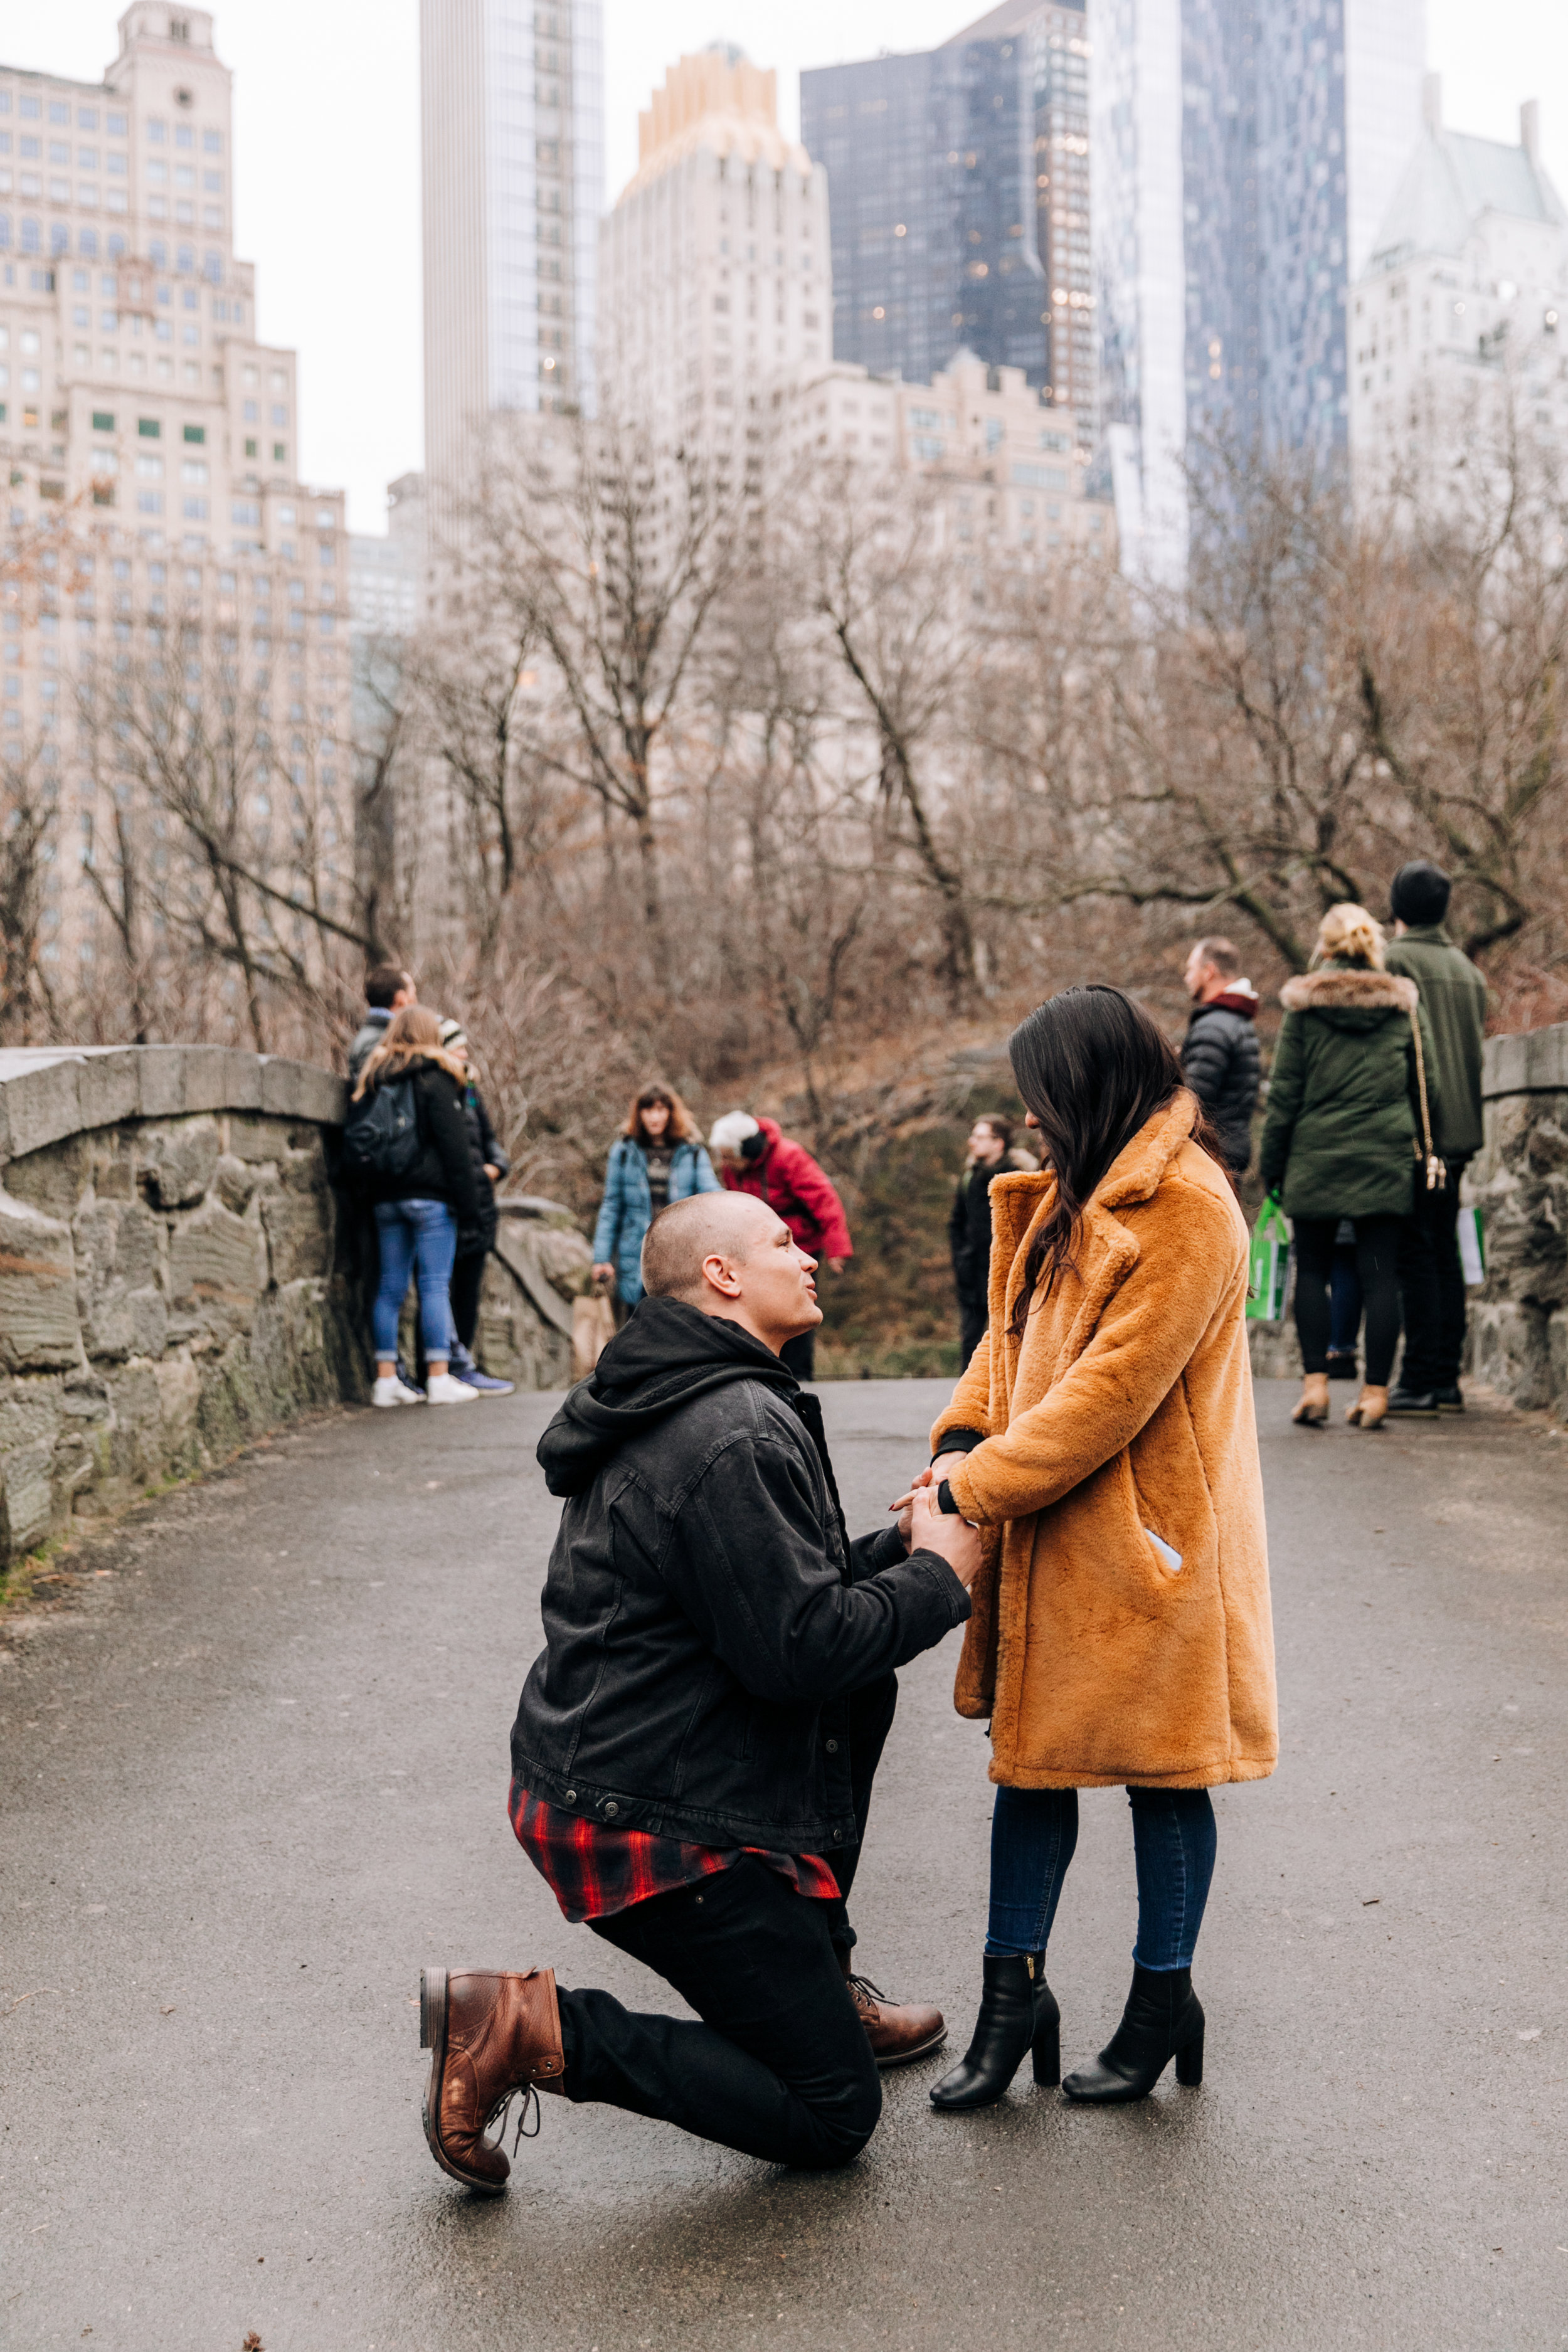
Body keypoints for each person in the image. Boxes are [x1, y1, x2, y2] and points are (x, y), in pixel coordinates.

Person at [418, 1189, 978, 2193]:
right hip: (640, 1810)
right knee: (831, 2111)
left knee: (859, 1690)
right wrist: (944, 1577)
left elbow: (771, 1597)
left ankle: (817, 1983)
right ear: (722, 1275)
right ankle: (525, 2028)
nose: (809, 1256)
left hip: (629, 1764)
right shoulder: (730, 1428)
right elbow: (800, 1648)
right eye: (782, 1242)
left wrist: (901, 1545)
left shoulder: (703, 1391)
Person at [906, 985, 1274, 2115]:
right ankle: (1012, 2001)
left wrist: (972, 1486)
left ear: (1089, 1087)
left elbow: (1109, 1398)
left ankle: (1163, 2000)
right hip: (1055, 1531)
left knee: (1164, 1781)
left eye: (1042, 1100)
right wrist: (964, 1433)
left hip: (1153, 1542)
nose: (1031, 1124)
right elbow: (1006, 1343)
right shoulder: (1074, 1191)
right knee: (1032, 1766)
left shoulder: (1194, 1211)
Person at [1258, 903, 1440, 1433]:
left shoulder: (1304, 1008)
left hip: (1314, 1156)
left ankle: (1316, 1387)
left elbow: (1285, 1095)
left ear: (1327, 946)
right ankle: (1376, 1395)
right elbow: (1424, 1085)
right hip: (1384, 1155)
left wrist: (1273, 1164)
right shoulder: (1402, 1005)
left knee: (1312, 1270)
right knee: (1381, 1273)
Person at [1384, 862, 1489, 1417]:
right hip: (1462, 1131)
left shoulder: (1396, 960)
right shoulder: (1468, 972)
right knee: (1444, 1251)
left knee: (1415, 1254)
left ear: (1398, 906)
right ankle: (1446, 1377)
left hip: (1417, 1133)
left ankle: (1420, 1376)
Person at [351, 1006, 487, 1407]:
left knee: (390, 1287)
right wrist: (471, 1209)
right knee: (433, 1285)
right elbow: (455, 1150)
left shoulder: (374, 1076)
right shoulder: (436, 1077)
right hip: (431, 1199)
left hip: (385, 1198)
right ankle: (439, 1377)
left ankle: (386, 1379)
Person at [709, 1111, 853, 1381]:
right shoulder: (733, 1167)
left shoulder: (788, 1156)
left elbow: (824, 1198)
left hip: (800, 1245)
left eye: (728, 1156)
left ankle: (799, 1376)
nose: (724, 1163)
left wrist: (837, 1247)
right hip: (756, 1249)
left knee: (797, 1307)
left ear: (748, 1150)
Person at [434, 1019, 514, 1397]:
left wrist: (494, 1167)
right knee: (440, 1288)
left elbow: (489, 1139)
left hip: (480, 1202)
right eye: (458, 1047)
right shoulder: (437, 1087)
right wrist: (476, 1174)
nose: (465, 1055)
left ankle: (461, 1360)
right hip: (454, 1203)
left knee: (468, 1290)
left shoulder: (469, 1088)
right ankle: (439, 1366)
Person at [591, 1086, 719, 1316]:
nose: (654, 1117)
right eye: (648, 1110)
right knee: (640, 1324)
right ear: (639, 1114)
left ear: (671, 1113)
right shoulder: (623, 1152)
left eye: (661, 1110)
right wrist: (601, 1257)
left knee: (680, 1323)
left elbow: (712, 1198)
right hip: (636, 1254)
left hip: (681, 1252)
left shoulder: (692, 1151)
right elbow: (612, 1205)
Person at [949, 1116, 1034, 1367]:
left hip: (1010, 1271)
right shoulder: (970, 1177)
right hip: (973, 1271)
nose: (972, 1142)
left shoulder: (1019, 1177)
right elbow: (956, 1223)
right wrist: (960, 1258)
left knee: (1011, 1335)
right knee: (971, 1339)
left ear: (998, 1143)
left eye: (980, 1137)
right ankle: (967, 1401)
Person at [1179, 937, 1261, 1174]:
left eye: (1191, 969)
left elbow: (1194, 1100)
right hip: (1231, 1149)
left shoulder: (1213, 1027)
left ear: (1209, 972)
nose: (1187, 978)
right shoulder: (1238, 1021)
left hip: (1212, 1155)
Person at [349, 963, 416, 1088]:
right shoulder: (378, 1039)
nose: (415, 1001)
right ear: (401, 998)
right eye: (413, 994)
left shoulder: (372, 1033)